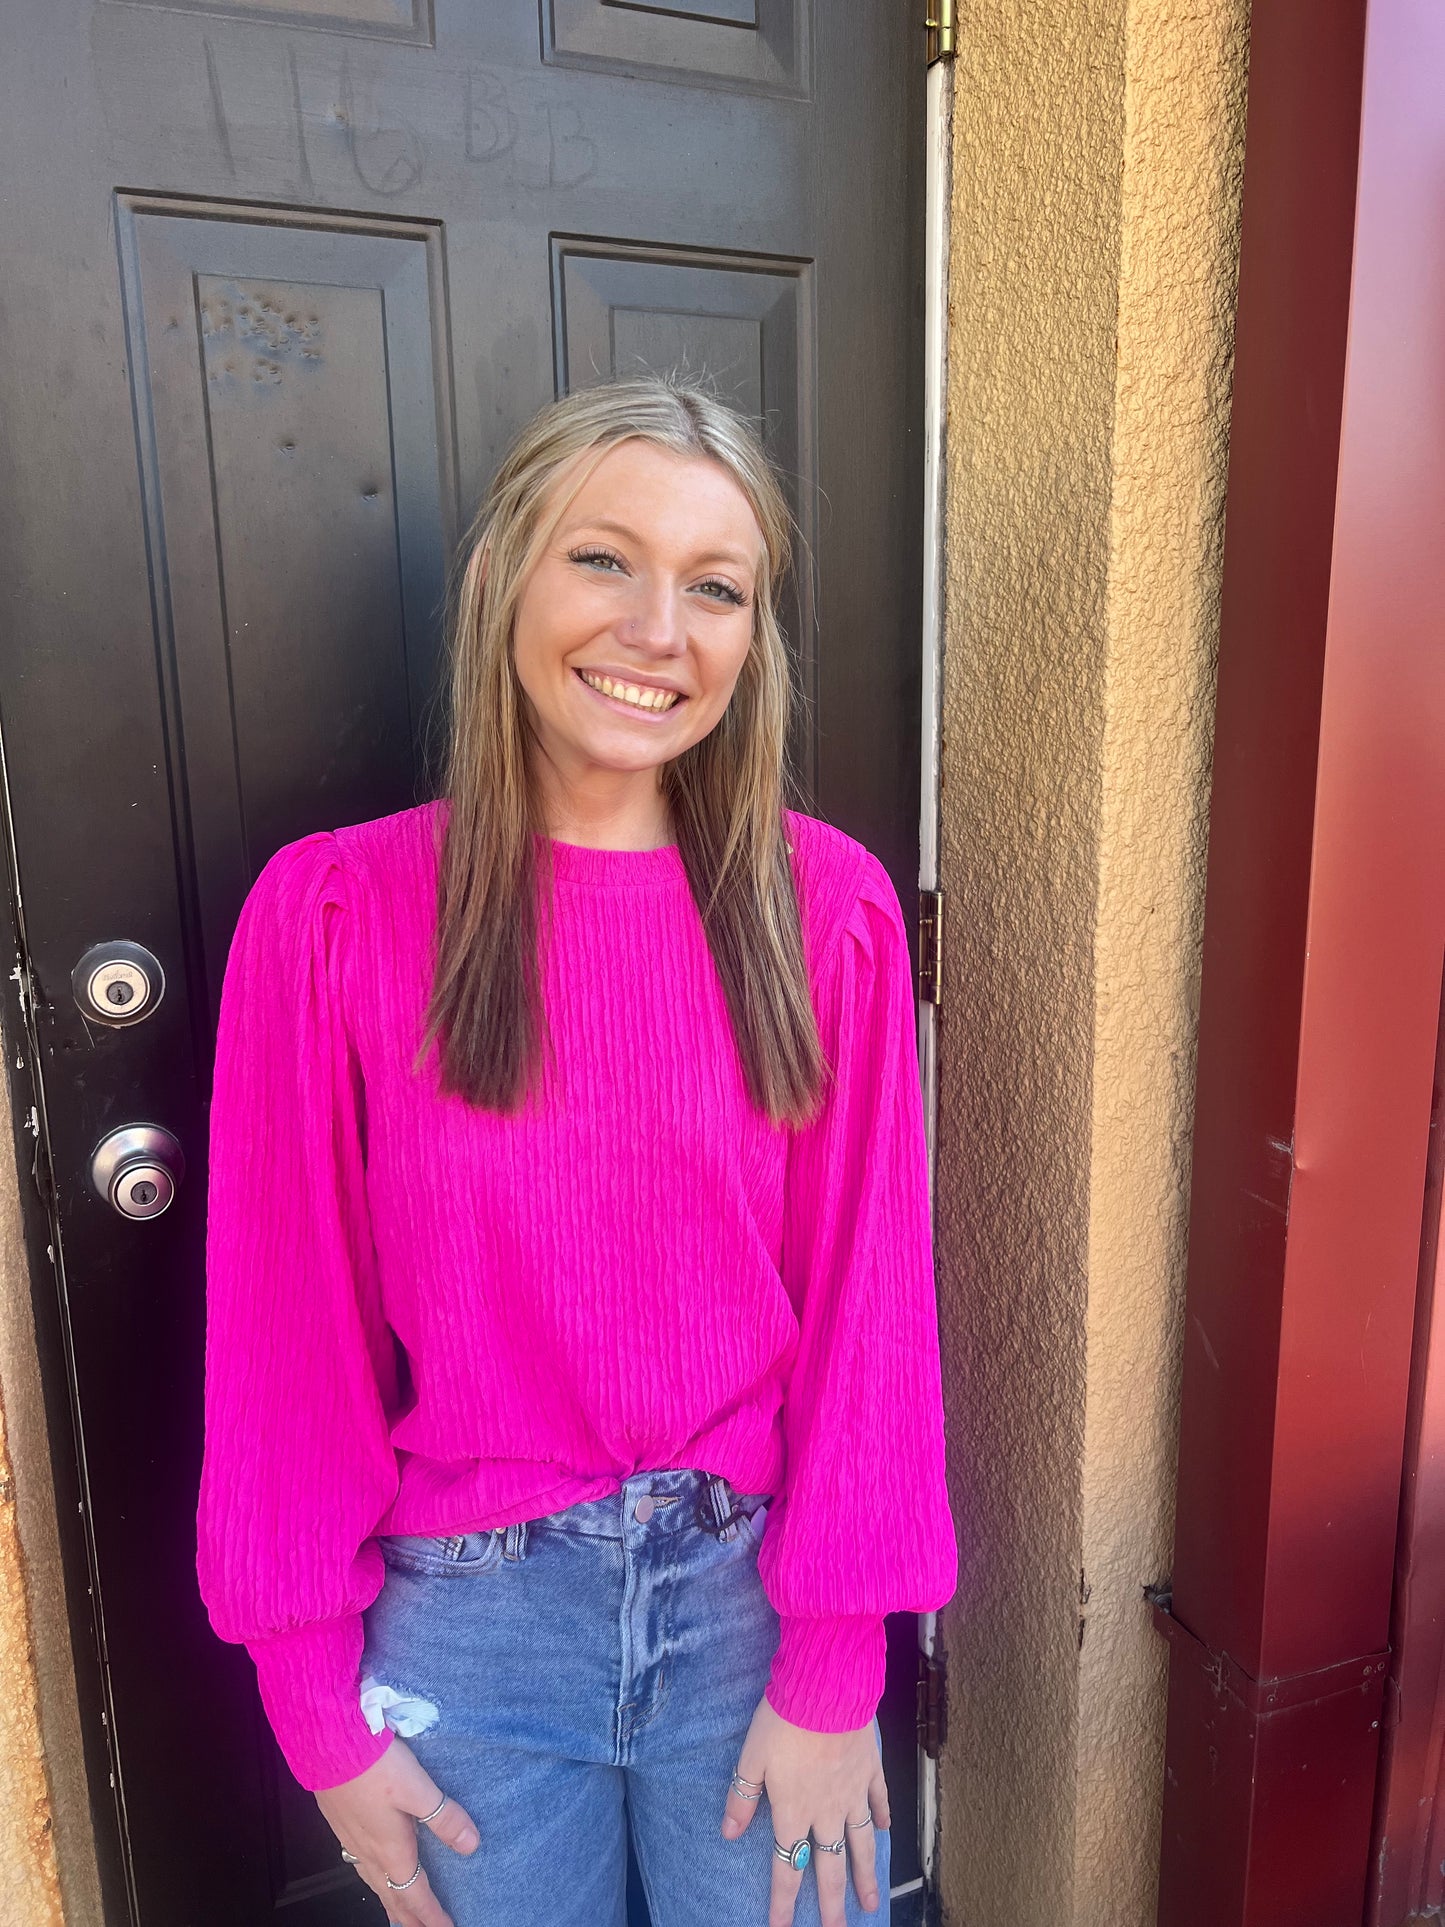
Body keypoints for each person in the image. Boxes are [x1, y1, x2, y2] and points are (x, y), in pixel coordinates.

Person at [195, 376, 957, 1927]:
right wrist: (314, 1711)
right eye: (602, 559)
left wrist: (836, 1660)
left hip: (753, 1603)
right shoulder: (337, 915)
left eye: (716, 587)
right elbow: (289, 1338)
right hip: (470, 1637)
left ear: (752, 641)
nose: (657, 628)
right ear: (500, 581)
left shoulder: (827, 913)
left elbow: (873, 1313)